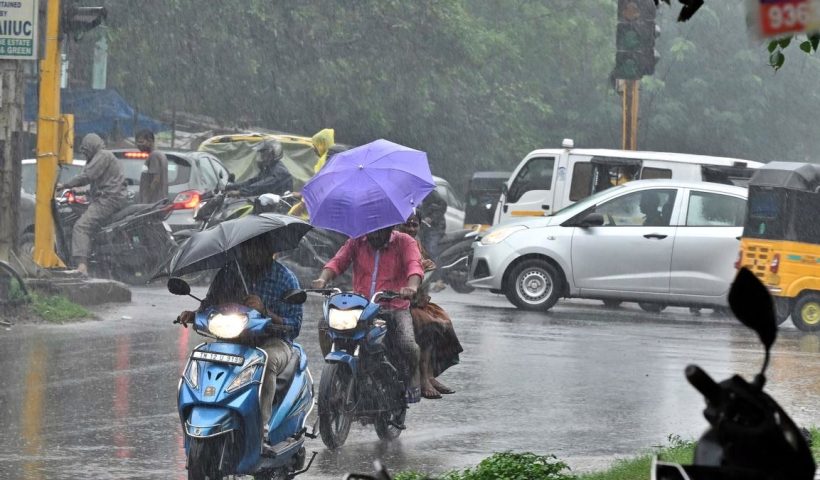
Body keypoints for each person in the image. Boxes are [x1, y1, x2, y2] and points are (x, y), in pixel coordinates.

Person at [177, 235, 302, 442]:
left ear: (268, 251)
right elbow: (210, 302)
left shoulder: (285, 279)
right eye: (247, 248)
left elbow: (294, 325)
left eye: (257, 249)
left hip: (271, 341)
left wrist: (265, 311)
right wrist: (194, 314)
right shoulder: (229, 272)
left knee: (266, 363)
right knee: (202, 361)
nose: (251, 254)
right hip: (233, 339)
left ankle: (260, 430)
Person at [311, 226, 424, 403]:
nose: (375, 234)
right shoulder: (356, 241)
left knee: (407, 344)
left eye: (380, 230)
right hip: (361, 308)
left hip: (393, 307)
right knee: (325, 325)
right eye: (372, 230)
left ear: (390, 227)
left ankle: (413, 379)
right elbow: (337, 261)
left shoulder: (405, 242)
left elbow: (414, 266)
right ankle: (338, 374)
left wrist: (412, 287)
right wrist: (323, 279)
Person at [397, 213, 462, 399]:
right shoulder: (395, 242)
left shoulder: (416, 243)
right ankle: (422, 377)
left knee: (442, 321)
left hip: (414, 299)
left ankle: (429, 374)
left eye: (414, 225)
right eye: (406, 225)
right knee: (425, 323)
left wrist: (425, 268)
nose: (410, 228)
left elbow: (420, 272)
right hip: (395, 300)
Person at [56, 133, 127, 276]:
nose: (85, 155)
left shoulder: (102, 155)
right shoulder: (104, 156)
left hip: (108, 200)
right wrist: (83, 193)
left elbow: (87, 176)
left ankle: (82, 266)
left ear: (91, 147)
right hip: (111, 198)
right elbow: (99, 182)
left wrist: (65, 185)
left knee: (81, 226)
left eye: (86, 151)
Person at [228, 138, 293, 197]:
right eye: (261, 155)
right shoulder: (269, 169)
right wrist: (232, 186)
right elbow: (253, 181)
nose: (262, 157)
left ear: (273, 154)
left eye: (264, 154)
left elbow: (263, 185)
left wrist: (240, 192)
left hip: (280, 208)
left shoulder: (280, 171)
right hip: (268, 205)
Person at [135, 129, 169, 204]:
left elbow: (156, 180)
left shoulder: (154, 156)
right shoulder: (160, 154)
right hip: (158, 203)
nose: (138, 145)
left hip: (153, 204)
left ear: (150, 141)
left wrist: (147, 199)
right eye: (137, 142)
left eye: (141, 142)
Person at [419, 189, 447, 259]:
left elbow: (443, 205)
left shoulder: (431, 193)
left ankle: (435, 267)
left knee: (430, 248)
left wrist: (431, 218)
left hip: (435, 228)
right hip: (422, 228)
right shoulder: (411, 196)